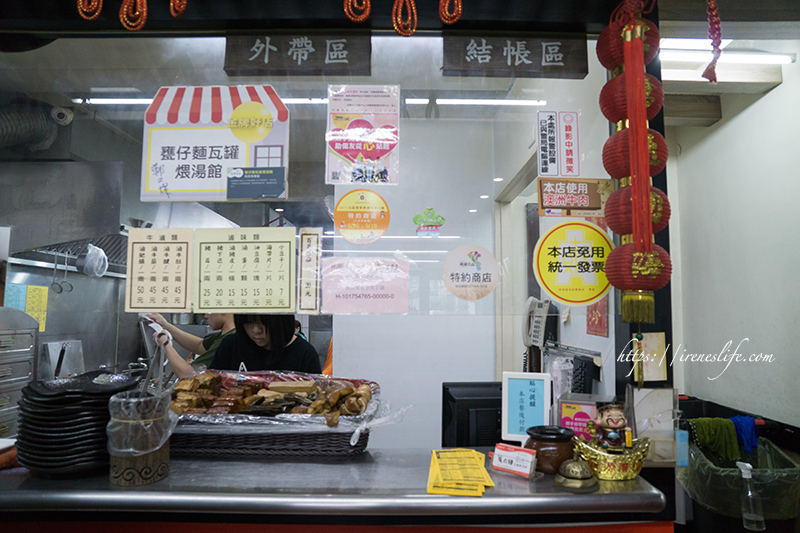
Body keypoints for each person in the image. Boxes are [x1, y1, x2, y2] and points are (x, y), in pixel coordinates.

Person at [210, 314, 321, 374]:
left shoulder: (304, 353)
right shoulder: (231, 345)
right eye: (248, 322)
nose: (256, 330)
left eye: (264, 322)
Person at [147, 312, 235, 379]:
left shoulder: (229, 339)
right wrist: (165, 325)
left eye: (208, 310)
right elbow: (199, 346)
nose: (205, 316)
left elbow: (188, 375)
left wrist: (165, 343)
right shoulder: (224, 335)